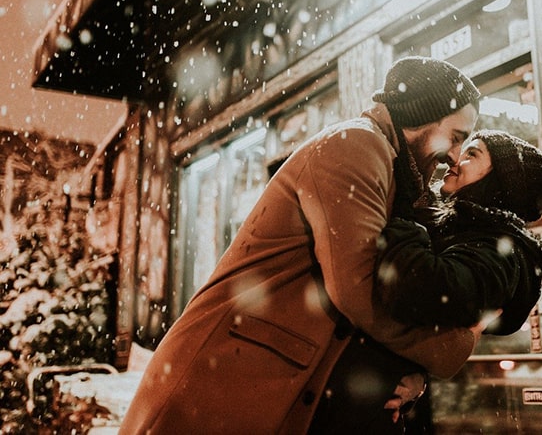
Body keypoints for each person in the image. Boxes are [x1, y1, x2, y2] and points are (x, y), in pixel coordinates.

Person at [120, 56, 482, 434]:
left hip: (256, 387)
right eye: (456, 137)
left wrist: (411, 372)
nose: (456, 155)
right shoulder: (357, 146)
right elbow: (357, 290)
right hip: (222, 384)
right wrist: (450, 346)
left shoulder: (394, 170)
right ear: (422, 116)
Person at [375, 129, 542, 344]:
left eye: (471, 154)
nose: (453, 161)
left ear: (498, 180)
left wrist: (405, 217)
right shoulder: (463, 229)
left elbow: (424, 291)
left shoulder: (500, 250)